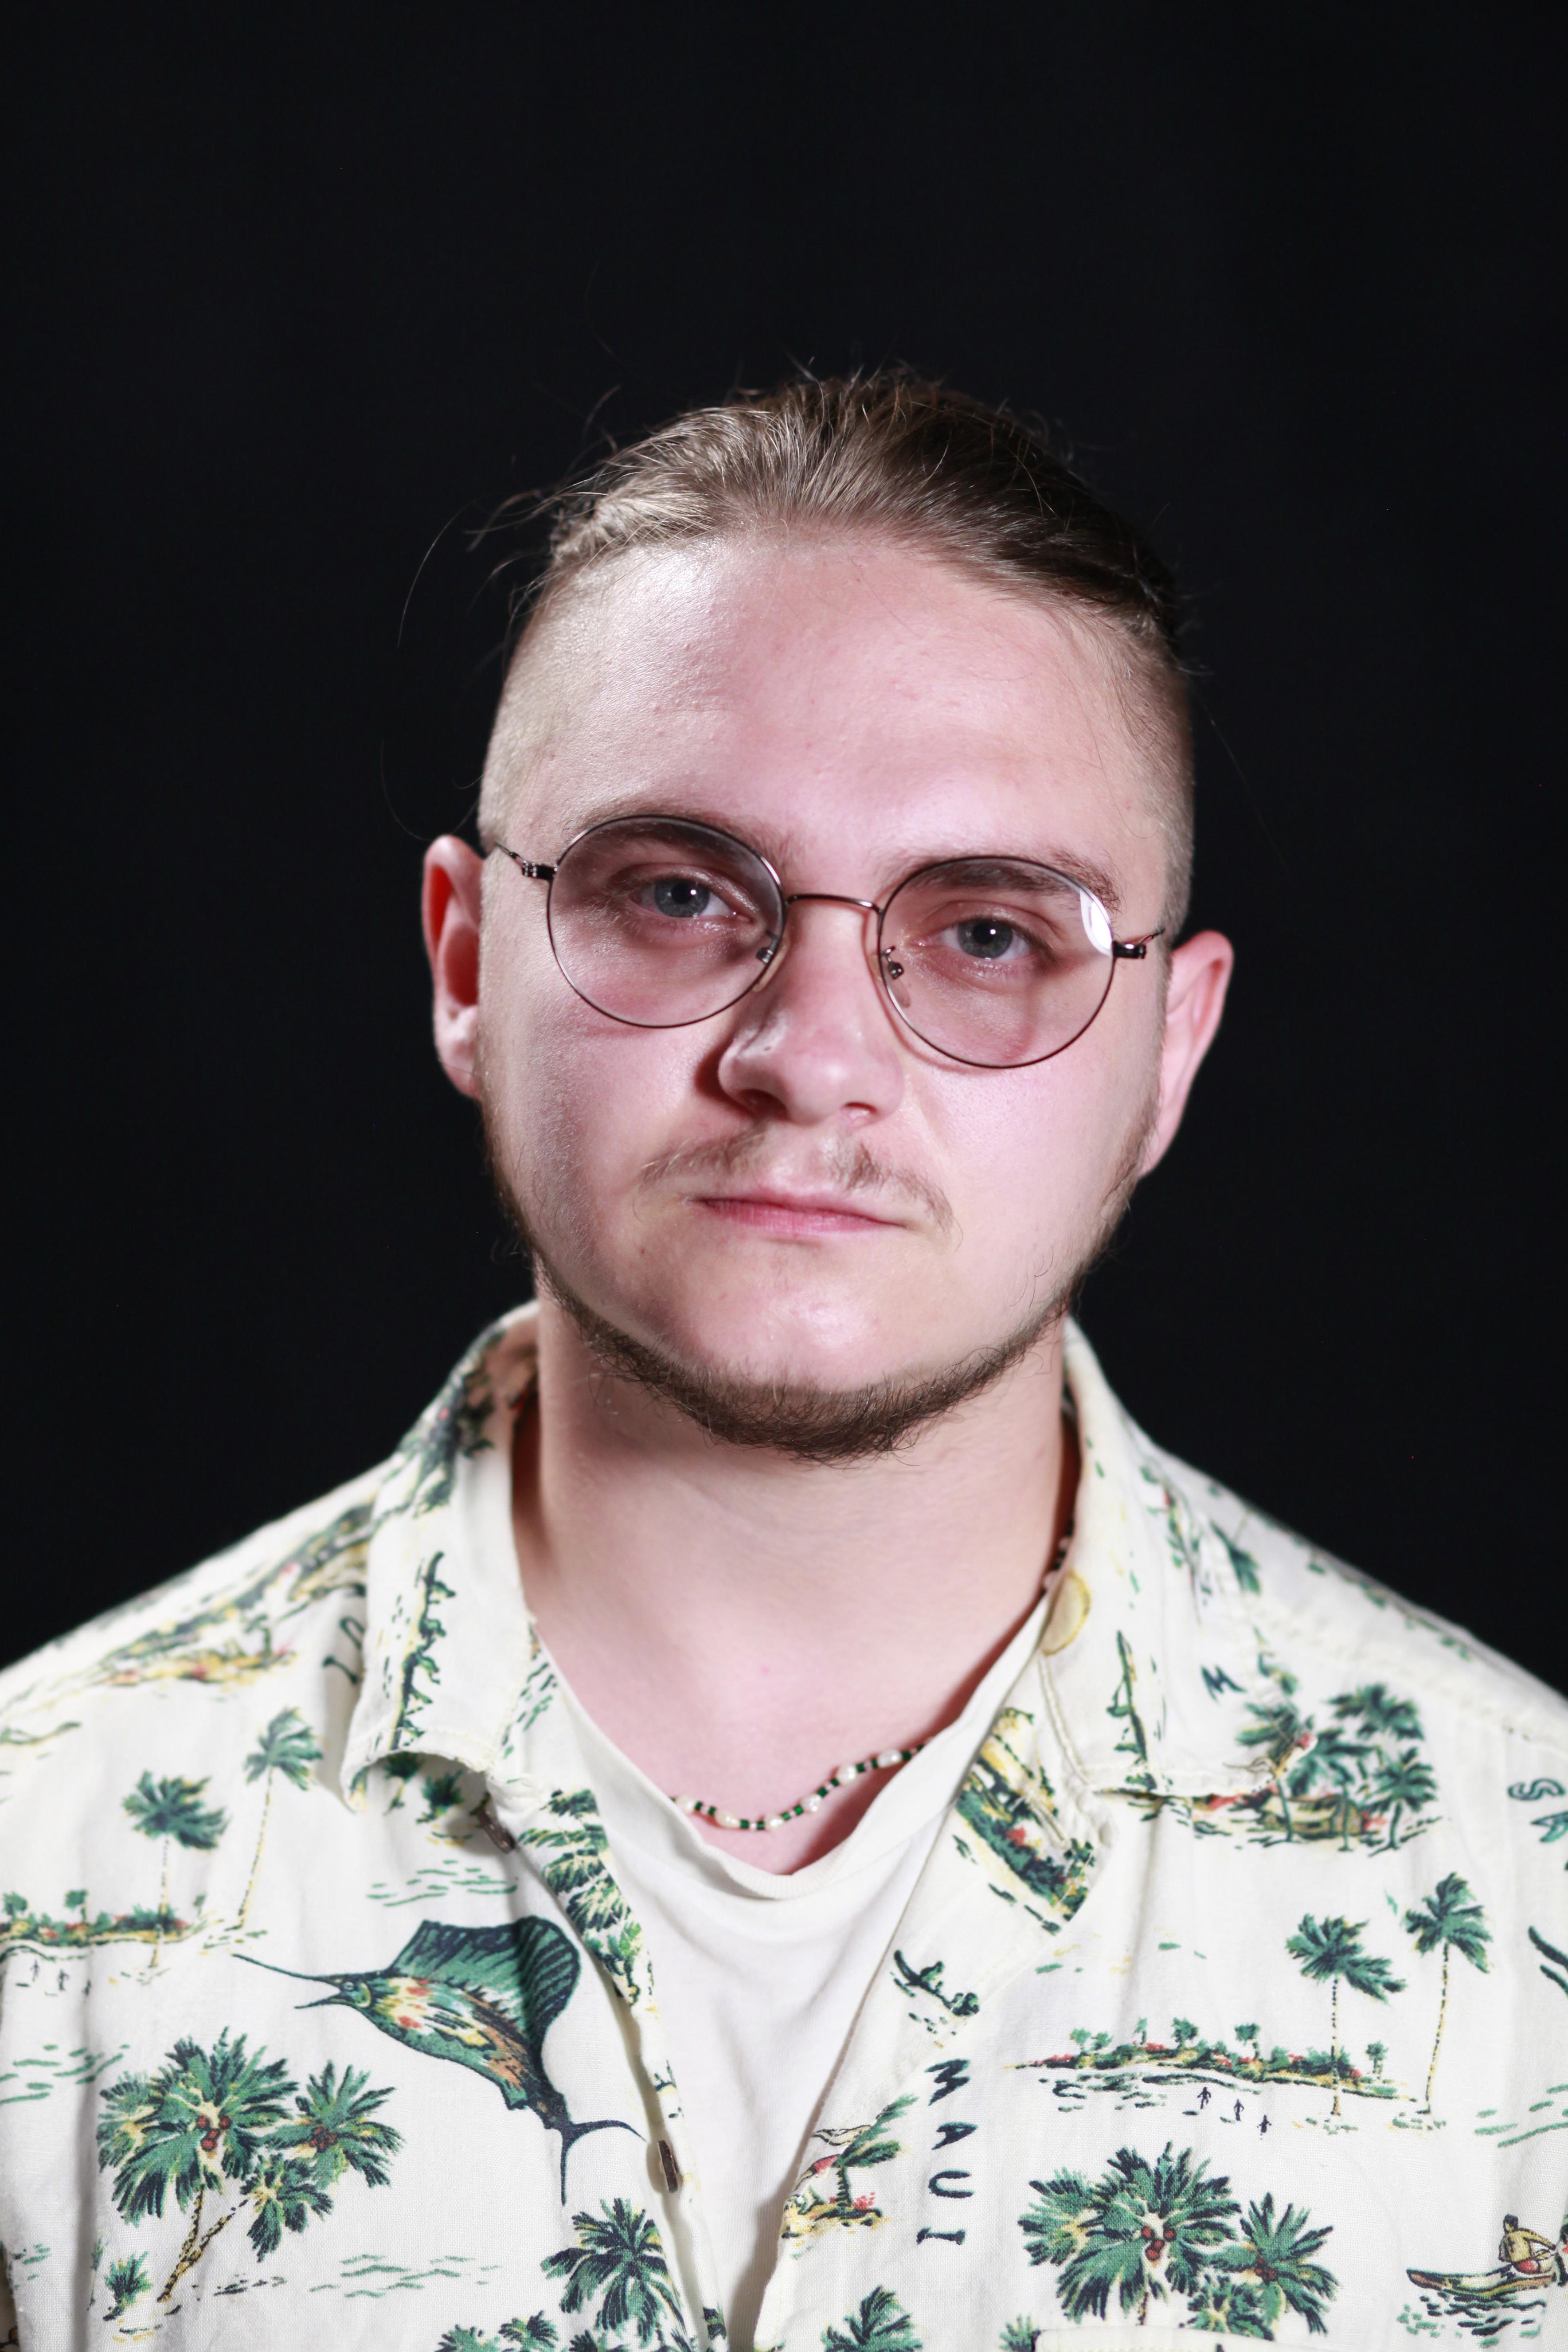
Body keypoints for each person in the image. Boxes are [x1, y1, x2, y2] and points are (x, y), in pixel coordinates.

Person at [1, 377, 1564, 2352]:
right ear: (467, 961)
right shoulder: (32, 1865)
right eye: (678, 895)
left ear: (1168, 1052)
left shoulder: (1526, 1886)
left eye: (989, 934)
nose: (812, 1055)